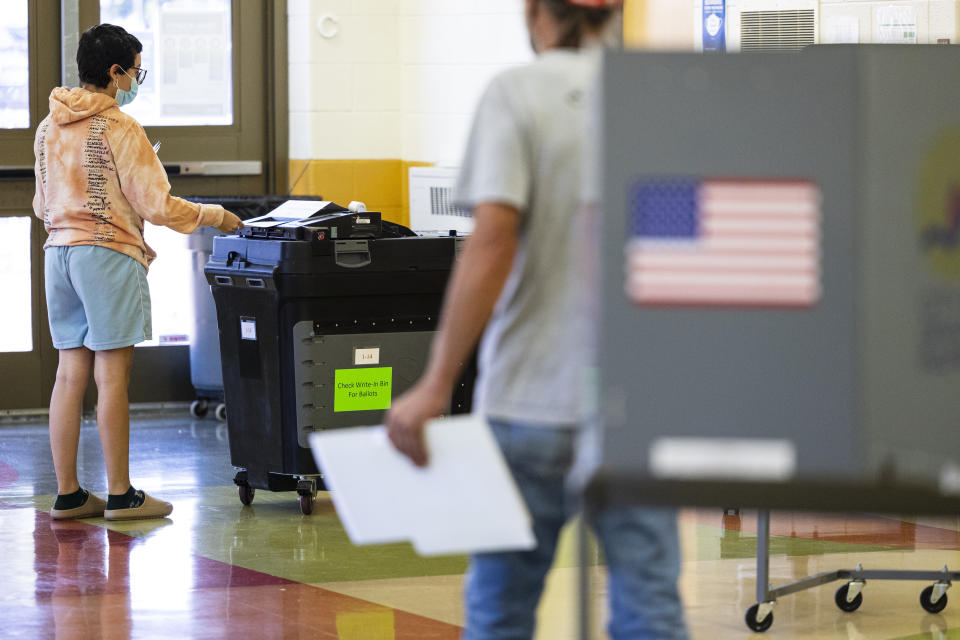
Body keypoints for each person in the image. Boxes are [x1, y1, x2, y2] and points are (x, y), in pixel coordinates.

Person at [384, 1, 688, 638]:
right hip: (641, 405)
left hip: (530, 398)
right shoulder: (663, 98)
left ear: (535, 13)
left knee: (502, 607)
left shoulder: (517, 94)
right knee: (650, 605)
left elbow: (492, 242)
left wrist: (436, 383)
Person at [33, 24, 243, 522]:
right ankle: (122, 495)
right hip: (106, 256)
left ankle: (68, 495)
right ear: (115, 71)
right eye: (135, 69)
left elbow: (43, 202)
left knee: (69, 375)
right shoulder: (121, 129)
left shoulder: (47, 127)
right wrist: (215, 216)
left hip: (57, 254)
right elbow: (157, 205)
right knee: (112, 378)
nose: (135, 80)